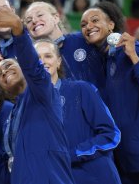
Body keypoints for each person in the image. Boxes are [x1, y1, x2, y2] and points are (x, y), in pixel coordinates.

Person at [0, 6, 75, 183]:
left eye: (9, 65)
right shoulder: (10, 117)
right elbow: (6, 174)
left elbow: (34, 67)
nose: (3, 70)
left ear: (24, 67)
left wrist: (18, 28)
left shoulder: (44, 93)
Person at [80, 1, 139, 184]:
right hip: (127, 163)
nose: (88, 26)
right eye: (83, 24)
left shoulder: (132, 50)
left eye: (95, 20)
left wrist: (135, 57)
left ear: (111, 24)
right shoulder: (102, 63)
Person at [34, 38, 121, 184]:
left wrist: (70, 154)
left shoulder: (81, 89)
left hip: (97, 177)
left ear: (59, 61)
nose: (42, 61)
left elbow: (111, 135)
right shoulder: (30, 104)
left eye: (48, 56)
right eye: (36, 58)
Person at [23, 1, 106, 90]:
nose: (34, 21)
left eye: (40, 15)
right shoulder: (34, 62)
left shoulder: (84, 38)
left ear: (56, 18)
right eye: (29, 21)